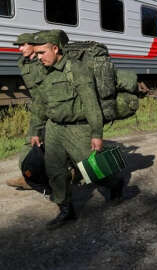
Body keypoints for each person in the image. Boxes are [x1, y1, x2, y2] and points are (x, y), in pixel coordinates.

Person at [30, 29, 123, 230]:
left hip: (78, 129)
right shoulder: (42, 72)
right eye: (36, 53)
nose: (38, 57)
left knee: (93, 169)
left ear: (55, 49)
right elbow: (39, 104)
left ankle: (116, 184)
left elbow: (91, 104)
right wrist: (35, 131)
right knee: (55, 171)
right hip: (54, 128)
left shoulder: (76, 69)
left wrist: (97, 134)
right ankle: (66, 211)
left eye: (42, 52)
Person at [6, 33, 48, 190]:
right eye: (18, 46)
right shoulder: (24, 63)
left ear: (33, 45)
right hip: (39, 109)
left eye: (23, 45)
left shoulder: (43, 62)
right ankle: (29, 177)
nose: (20, 49)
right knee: (31, 144)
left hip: (50, 109)